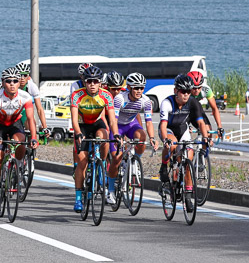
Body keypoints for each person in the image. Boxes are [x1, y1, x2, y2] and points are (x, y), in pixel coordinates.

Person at [158, 74, 211, 213]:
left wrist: (205, 137)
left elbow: (201, 122)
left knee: (189, 156)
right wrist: (165, 140)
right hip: (169, 129)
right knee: (173, 144)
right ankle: (164, 167)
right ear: (176, 91)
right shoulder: (167, 102)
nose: (186, 95)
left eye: (188, 91)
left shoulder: (192, 102)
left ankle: (188, 196)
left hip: (183, 130)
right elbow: (163, 126)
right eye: (183, 91)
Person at [0, 67, 38, 210]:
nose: (12, 84)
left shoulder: (25, 97)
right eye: (8, 81)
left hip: (15, 123)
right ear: (3, 82)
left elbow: (30, 118)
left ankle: (19, 166)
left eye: (15, 81)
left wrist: (34, 137)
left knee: (21, 141)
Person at [70, 65, 118, 213]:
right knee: (82, 162)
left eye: (95, 81)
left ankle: (101, 164)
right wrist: (78, 133)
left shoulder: (106, 95)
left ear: (100, 83)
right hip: (82, 125)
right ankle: (78, 198)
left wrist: (116, 135)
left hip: (97, 123)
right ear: (84, 82)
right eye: (89, 81)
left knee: (104, 136)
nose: (92, 84)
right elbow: (74, 120)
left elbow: (112, 120)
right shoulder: (77, 95)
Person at [107, 72, 155, 204]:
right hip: (118, 126)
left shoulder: (145, 101)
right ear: (129, 87)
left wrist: (152, 138)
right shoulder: (119, 99)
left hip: (130, 124)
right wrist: (117, 136)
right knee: (116, 158)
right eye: (136, 88)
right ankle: (110, 191)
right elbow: (113, 120)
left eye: (141, 88)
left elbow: (149, 122)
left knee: (142, 137)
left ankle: (135, 162)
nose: (139, 91)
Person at [187, 71, 224, 140]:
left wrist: (219, 127)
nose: (197, 90)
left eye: (199, 87)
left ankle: (205, 149)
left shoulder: (206, 90)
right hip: (185, 110)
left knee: (208, 133)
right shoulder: (185, 91)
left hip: (196, 108)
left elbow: (214, 108)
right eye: (194, 88)